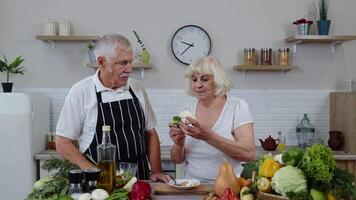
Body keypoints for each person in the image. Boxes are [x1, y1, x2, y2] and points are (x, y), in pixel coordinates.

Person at [56, 34, 170, 182]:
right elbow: (63, 143)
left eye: (130, 62)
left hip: (140, 178)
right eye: (122, 63)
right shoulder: (81, 91)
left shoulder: (137, 88)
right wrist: (94, 173)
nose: (129, 69)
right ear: (101, 62)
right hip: (99, 181)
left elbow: (151, 134)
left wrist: (156, 171)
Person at [169, 56, 255, 182]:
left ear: (218, 81)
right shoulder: (186, 111)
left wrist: (206, 136)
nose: (198, 85)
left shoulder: (237, 106)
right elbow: (176, 160)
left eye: (204, 79)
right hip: (192, 186)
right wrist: (179, 143)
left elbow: (248, 154)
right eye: (194, 79)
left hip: (230, 187)